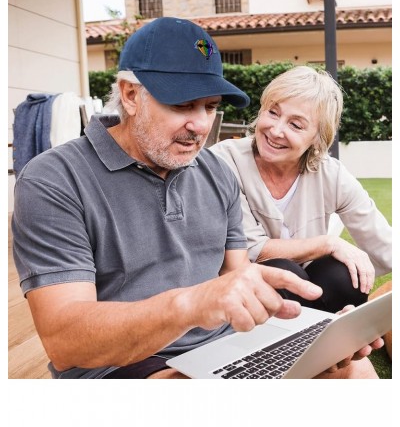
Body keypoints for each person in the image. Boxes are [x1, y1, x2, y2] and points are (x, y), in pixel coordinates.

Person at [12, 19, 381, 380]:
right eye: (184, 105)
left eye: (209, 106)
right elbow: (66, 343)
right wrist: (192, 304)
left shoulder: (215, 171)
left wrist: (311, 335)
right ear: (129, 95)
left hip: (225, 347)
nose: (201, 125)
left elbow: (238, 277)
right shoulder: (54, 179)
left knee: (354, 370)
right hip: (129, 363)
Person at [211, 65, 392, 313]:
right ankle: (319, 335)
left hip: (307, 288)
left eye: (296, 125)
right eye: (273, 113)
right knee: (282, 270)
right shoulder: (224, 160)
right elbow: (249, 250)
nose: (276, 131)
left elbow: (385, 245)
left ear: (318, 138)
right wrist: (328, 243)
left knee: (345, 274)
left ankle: (329, 330)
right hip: (240, 289)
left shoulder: (331, 173)